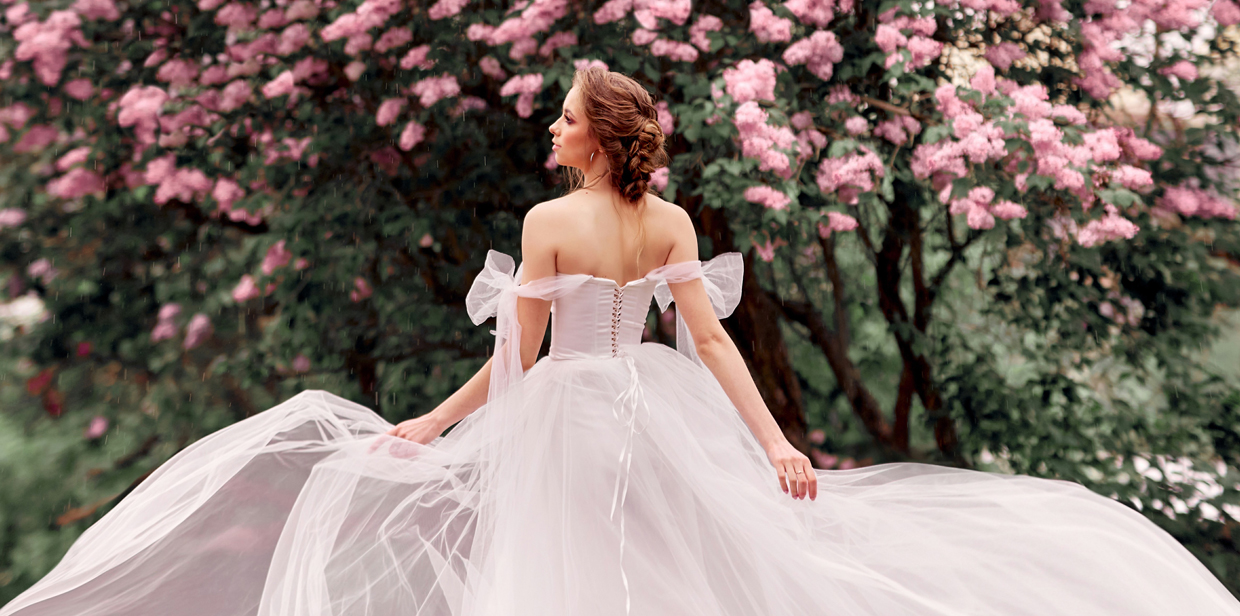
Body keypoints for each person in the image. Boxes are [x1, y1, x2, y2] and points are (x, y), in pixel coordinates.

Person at [2, 66, 1238, 616]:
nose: (546, 129)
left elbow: (521, 361)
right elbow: (714, 348)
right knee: (660, 566)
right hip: (654, 405)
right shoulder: (671, 221)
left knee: (568, 573)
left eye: (560, 118)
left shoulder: (549, 221)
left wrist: (430, 424)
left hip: (570, 408)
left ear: (595, 136)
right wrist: (772, 445)